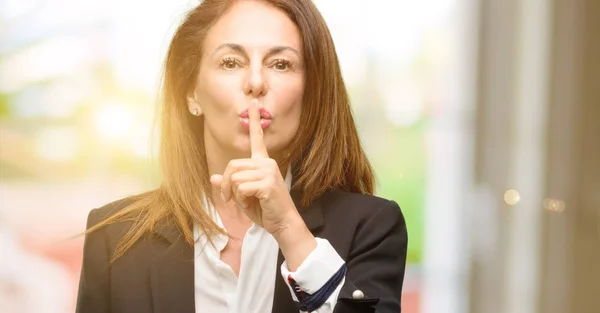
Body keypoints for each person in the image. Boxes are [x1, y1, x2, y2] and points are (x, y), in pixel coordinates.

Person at [76, 0, 408, 312]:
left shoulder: (371, 228)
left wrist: (289, 231)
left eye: (281, 64)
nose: (255, 82)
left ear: (311, 93)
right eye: (230, 62)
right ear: (191, 91)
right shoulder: (115, 237)